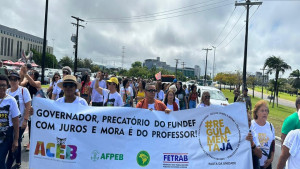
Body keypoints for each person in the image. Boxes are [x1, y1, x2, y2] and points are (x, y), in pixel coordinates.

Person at [5, 72, 31, 169]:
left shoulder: (23, 91)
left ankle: (12, 164)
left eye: (15, 79)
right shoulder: (7, 91)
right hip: (10, 122)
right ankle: (17, 161)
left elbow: (28, 106)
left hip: (20, 122)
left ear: (19, 80)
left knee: (16, 141)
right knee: (16, 141)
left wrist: (25, 120)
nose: (13, 81)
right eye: (11, 79)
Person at [0, 75, 20, 169]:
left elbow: (16, 122)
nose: (1, 88)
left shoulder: (11, 101)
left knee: (0, 159)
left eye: (4, 85)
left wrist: (16, 140)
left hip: (6, 134)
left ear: (7, 86)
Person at [19, 66, 41, 151]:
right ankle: (29, 141)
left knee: (32, 125)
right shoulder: (27, 81)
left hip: (36, 107)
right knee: (28, 124)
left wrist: (25, 74)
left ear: (34, 76)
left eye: (31, 73)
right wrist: (21, 73)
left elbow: (33, 84)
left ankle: (32, 143)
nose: (29, 74)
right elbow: (20, 84)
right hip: (28, 107)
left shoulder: (38, 82)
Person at [251, 100, 275, 169]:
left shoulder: (270, 126)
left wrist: (271, 159)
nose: (265, 113)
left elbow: (273, 144)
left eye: (266, 111)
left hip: (266, 164)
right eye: (262, 111)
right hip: (254, 163)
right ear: (256, 113)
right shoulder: (251, 125)